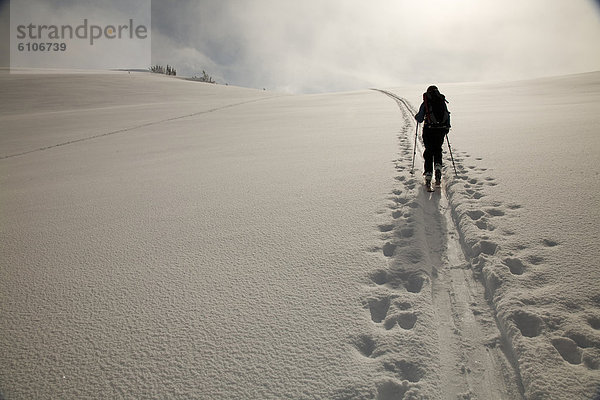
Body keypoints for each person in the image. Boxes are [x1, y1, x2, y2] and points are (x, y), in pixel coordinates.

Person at [414, 85, 451, 186]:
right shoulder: (442, 101)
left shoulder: (426, 102)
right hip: (441, 130)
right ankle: (438, 168)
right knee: (438, 149)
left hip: (429, 130)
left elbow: (420, 118)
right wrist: (446, 128)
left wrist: (417, 117)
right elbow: (447, 114)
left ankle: (428, 174)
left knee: (429, 151)